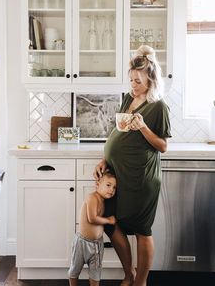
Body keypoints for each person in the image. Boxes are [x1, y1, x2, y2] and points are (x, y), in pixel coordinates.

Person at [93, 45, 171, 286]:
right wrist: (106, 158)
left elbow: (162, 146)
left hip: (140, 177)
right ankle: (129, 272)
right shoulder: (129, 98)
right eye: (131, 80)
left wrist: (144, 127)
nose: (133, 85)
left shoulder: (159, 107)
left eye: (138, 81)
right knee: (110, 222)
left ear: (151, 79)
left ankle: (140, 281)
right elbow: (118, 130)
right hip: (117, 174)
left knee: (141, 230)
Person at [68, 170, 117, 286]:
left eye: (114, 188)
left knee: (96, 272)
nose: (111, 190)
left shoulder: (105, 202)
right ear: (97, 184)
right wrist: (109, 220)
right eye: (108, 185)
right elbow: (92, 218)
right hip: (82, 243)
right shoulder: (92, 198)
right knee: (75, 269)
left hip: (97, 245)